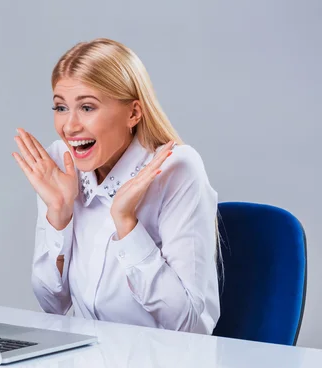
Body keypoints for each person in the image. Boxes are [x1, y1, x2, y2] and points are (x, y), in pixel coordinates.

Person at [12, 38, 220, 334]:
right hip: (82, 365)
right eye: (60, 107)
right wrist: (58, 214)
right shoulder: (61, 161)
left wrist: (126, 224)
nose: (69, 126)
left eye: (86, 107)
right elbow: (52, 306)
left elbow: (194, 328)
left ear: (133, 113)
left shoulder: (177, 169)